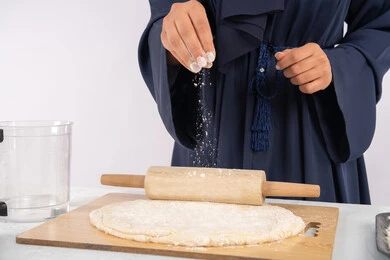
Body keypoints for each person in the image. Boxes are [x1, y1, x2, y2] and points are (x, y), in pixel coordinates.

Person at [138, 0, 390, 203]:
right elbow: (167, 16)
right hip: (212, 134)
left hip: (311, 132)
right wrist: (175, 35)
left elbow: (381, 21)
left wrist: (338, 65)